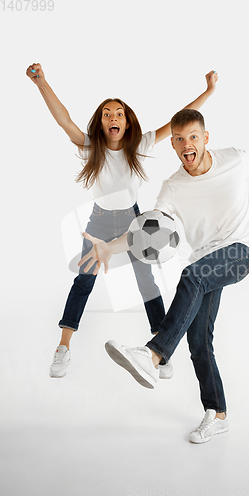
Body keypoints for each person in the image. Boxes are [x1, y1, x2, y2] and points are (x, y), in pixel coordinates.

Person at [77, 108, 249, 444]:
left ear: (205, 138)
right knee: (199, 340)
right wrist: (109, 249)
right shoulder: (172, 187)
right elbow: (147, 228)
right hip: (206, 261)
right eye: (178, 139)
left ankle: (153, 354)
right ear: (173, 146)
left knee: (191, 276)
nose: (186, 144)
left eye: (192, 137)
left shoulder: (235, 159)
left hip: (239, 251)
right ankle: (217, 414)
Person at [26, 63, 218, 379]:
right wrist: (41, 83)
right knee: (84, 279)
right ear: (100, 124)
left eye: (119, 114)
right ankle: (63, 347)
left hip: (134, 222)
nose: (113, 117)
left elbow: (176, 122)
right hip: (99, 223)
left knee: (147, 282)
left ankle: (160, 350)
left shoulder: (138, 144)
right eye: (107, 114)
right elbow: (63, 120)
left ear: (127, 123)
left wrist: (208, 92)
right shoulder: (90, 146)